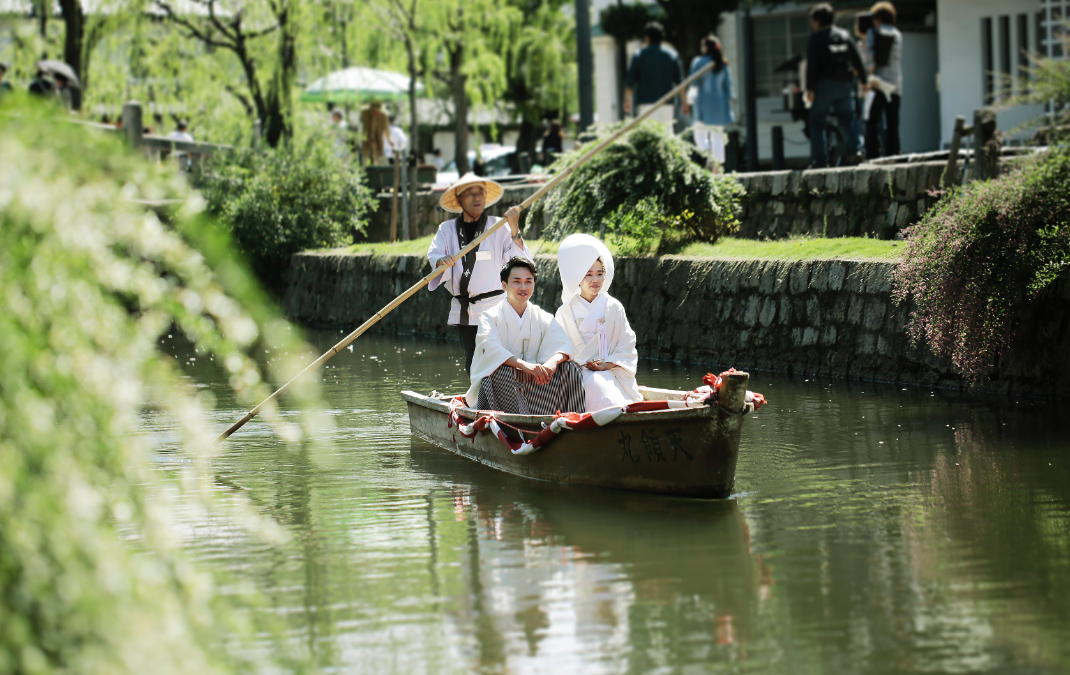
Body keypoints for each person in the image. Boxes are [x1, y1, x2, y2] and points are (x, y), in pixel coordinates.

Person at [427, 173, 532, 374]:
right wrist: (442, 261)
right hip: (465, 308)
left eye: (480, 193)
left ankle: (504, 397)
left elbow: (520, 261)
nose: (477, 198)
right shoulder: (446, 229)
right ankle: (477, 398)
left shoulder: (498, 226)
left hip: (495, 307)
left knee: (500, 355)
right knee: (472, 358)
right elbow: (435, 254)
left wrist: (514, 228)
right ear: (459, 199)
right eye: (470, 194)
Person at [466, 257, 585, 415]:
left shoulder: (542, 317)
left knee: (570, 368)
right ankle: (511, 424)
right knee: (500, 372)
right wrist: (524, 366)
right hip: (505, 384)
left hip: (536, 385)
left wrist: (552, 363)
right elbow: (490, 348)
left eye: (528, 281)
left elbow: (563, 343)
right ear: (504, 285)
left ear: (534, 285)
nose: (523, 287)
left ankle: (571, 420)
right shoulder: (489, 317)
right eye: (517, 281)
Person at [554, 234, 642, 411]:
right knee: (595, 385)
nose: (595, 280)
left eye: (599, 274)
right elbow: (556, 348)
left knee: (603, 386)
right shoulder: (564, 312)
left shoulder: (613, 307)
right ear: (578, 278)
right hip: (576, 372)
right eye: (588, 274)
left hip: (611, 369)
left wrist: (607, 364)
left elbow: (627, 344)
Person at [805, 3, 866, 168]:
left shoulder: (816, 38)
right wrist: (864, 81)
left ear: (817, 21)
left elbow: (812, 66)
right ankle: (858, 150)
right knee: (849, 119)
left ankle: (820, 160)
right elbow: (857, 59)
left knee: (817, 122)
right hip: (845, 84)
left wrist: (810, 89)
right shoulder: (844, 35)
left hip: (824, 85)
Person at [624, 21, 689, 130]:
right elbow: (680, 81)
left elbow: (630, 81)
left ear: (647, 38)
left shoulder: (639, 55)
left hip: (646, 104)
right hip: (667, 103)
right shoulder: (672, 55)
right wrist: (684, 101)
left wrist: (627, 99)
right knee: (667, 135)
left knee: (650, 137)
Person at [688, 34, 735, 164]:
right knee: (717, 135)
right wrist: (729, 103)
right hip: (720, 104)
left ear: (705, 47)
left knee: (699, 133)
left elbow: (693, 82)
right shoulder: (724, 64)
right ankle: (717, 166)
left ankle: (708, 153)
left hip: (703, 103)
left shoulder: (698, 62)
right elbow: (728, 87)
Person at [865, 1, 902, 158]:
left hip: (878, 82)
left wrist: (867, 78)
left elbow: (870, 60)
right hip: (895, 83)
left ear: (878, 17)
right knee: (892, 121)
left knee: (872, 120)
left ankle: (873, 153)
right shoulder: (897, 34)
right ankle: (893, 152)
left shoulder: (873, 33)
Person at [360, 101, 390, 165]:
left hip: (378, 142)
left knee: (382, 159)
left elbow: (386, 129)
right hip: (365, 141)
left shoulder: (383, 117)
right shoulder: (365, 115)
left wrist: (389, 140)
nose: (374, 113)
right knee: (363, 159)